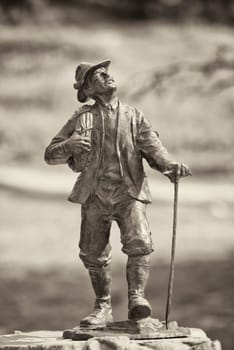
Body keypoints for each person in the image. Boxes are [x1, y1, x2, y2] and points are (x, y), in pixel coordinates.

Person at [44, 60, 190, 327]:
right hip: (94, 193)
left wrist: (170, 166)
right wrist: (70, 144)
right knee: (93, 252)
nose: (107, 76)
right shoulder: (81, 118)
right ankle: (102, 307)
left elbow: (154, 148)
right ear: (88, 89)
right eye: (99, 75)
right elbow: (50, 154)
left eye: (106, 72)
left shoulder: (134, 116)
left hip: (129, 192)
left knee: (140, 243)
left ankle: (137, 298)